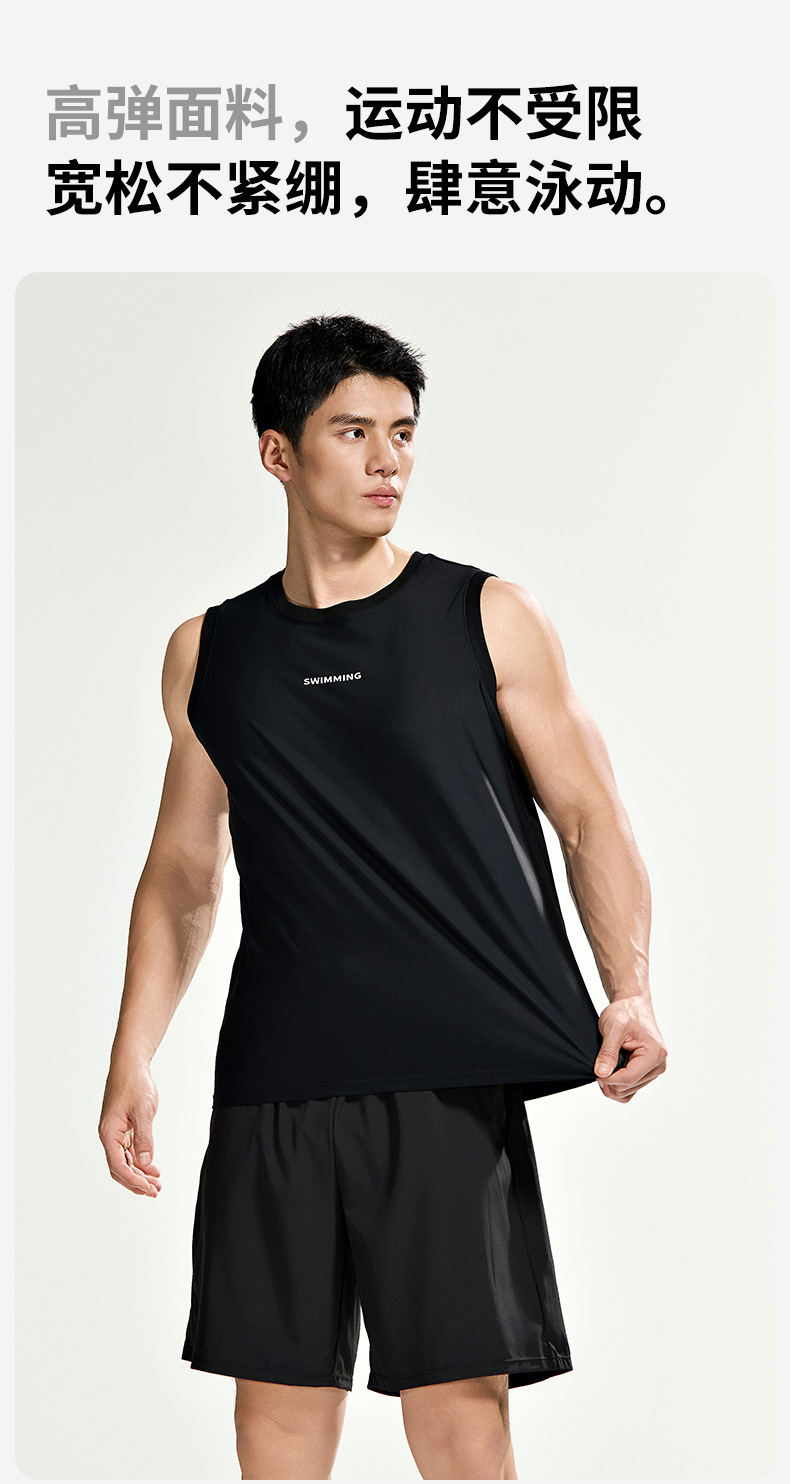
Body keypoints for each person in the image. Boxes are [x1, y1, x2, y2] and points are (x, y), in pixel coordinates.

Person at [98, 313, 668, 1481]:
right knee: (277, 1414)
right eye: (352, 431)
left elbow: (590, 814)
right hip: (277, 1074)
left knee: (457, 1413)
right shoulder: (209, 650)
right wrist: (133, 1052)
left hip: (443, 1075)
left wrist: (631, 989)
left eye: (402, 432)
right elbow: (184, 871)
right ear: (278, 452)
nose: (387, 460)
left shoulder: (487, 614)